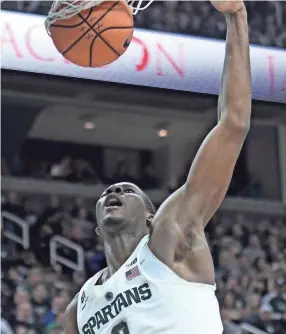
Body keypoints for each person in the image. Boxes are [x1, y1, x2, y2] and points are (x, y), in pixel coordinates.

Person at [64, 1, 251, 333]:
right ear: (96, 229)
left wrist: (236, 16)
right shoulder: (78, 310)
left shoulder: (170, 238)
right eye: (109, 191)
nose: (115, 190)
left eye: (129, 191)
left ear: (152, 218)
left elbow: (233, 124)